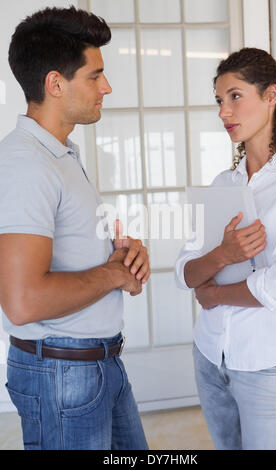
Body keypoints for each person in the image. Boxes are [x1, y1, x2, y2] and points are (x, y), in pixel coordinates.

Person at [0, 6, 150, 450]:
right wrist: (113, 274)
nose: (107, 87)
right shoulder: (27, 164)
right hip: (63, 376)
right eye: (95, 75)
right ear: (55, 83)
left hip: (94, 366)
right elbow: (22, 301)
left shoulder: (59, 155)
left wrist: (122, 257)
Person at [175, 47, 276, 450]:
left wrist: (213, 293)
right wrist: (222, 257)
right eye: (219, 101)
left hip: (266, 363)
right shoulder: (221, 185)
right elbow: (184, 272)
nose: (224, 111)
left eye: (235, 96)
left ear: (271, 96)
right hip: (210, 356)